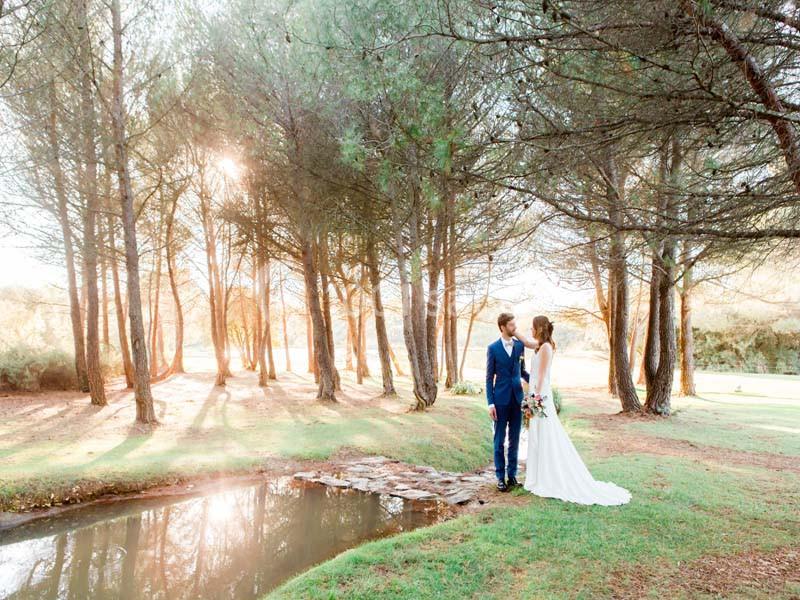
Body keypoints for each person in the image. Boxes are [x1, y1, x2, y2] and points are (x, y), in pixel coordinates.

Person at [522, 315, 631, 505]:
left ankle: (549, 477)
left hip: (540, 397)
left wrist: (533, 401)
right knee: (537, 434)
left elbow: (540, 378)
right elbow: (526, 342)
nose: (530, 330)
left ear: (539, 328)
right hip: (536, 395)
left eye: (532, 327)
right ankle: (538, 476)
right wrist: (511, 330)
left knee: (544, 434)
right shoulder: (539, 345)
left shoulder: (546, 348)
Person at [485, 312, 529, 492]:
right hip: (500, 400)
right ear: (503, 327)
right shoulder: (493, 348)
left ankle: (512, 476)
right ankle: (499, 477)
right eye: (511, 325)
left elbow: (523, 371)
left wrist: (539, 381)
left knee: (515, 439)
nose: (514, 328)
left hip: (518, 399)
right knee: (499, 440)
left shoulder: (519, 347)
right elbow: (489, 378)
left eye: (515, 324)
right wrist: (490, 403)